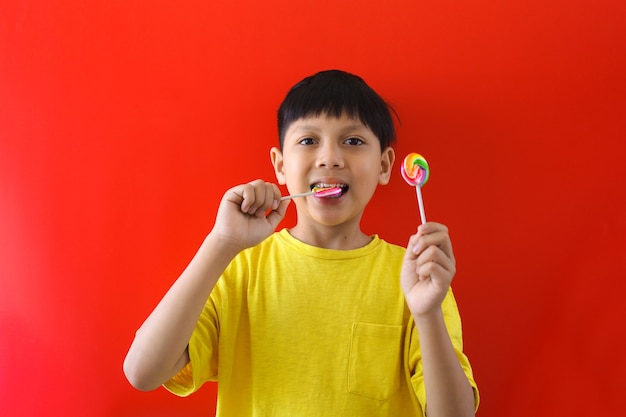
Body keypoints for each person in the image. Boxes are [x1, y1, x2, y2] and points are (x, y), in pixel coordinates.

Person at [123, 69, 479, 416]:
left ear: (385, 165)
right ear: (280, 166)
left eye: (353, 141)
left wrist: (427, 313)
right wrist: (221, 242)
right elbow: (143, 372)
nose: (330, 158)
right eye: (308, 141)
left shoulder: (417, 279)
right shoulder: (240, 269)